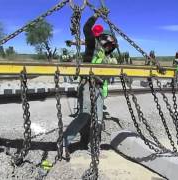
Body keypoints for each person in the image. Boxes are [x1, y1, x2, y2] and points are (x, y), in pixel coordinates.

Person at [63, 9, 118, 160]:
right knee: (85, 114)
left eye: (111, 43)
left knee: (99, 119)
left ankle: (94, 146)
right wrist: (97, 15)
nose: (109, 44)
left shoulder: (107, 53)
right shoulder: (91, 44)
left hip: (100, 87)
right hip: (87, 84)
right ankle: (64, 143)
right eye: (107, 40)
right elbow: (87, 28)